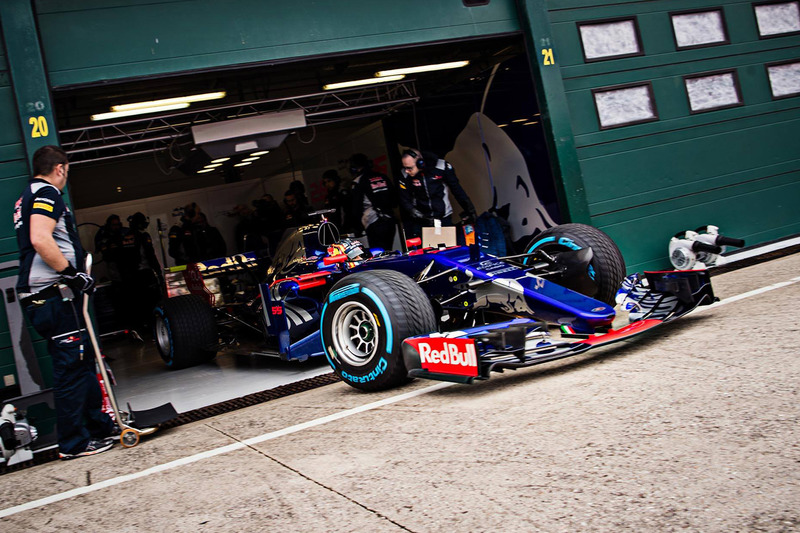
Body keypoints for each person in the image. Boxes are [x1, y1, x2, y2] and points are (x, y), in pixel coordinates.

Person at [14, 145, 116, 460]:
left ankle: (98, 429)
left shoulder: (26, 196)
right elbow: (40, 238)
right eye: (67, 172)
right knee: (71, 367)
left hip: (55, 295)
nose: (66, 178)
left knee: (81, 363)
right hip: (50, 295)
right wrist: (72, 275)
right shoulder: (46, 193)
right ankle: (73, 443)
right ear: (60, 168)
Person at [397, 148, 478, 239]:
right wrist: (415, 213)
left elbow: (457, 189)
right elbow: (404, 198)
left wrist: (470, 210)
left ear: (420, 163)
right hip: (421, 221)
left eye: (409, 168)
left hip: (443, 217)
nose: (407, 171)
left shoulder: (441, 166)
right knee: (426, 251)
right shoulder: (404, 174)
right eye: (405, 167)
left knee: (448, 248)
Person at [349, 153, 398, 251]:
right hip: (390, 221)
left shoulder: (358, 182)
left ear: (354, 168)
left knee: (378, 255)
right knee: (388, 251)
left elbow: (356, 208)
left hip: (373, 222)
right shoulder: (383, 177)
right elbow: (395, 201)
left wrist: (357, 228)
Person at [322, 169, 357, 234]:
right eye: (325, 182)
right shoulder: (328, 196)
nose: (327, 184)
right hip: (334, 228)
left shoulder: (342, 193)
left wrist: (346, 227)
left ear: (335, 180)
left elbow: (348, 212)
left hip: (345, 228)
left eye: (329, 181)